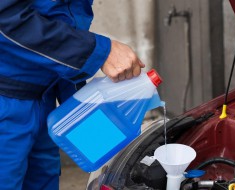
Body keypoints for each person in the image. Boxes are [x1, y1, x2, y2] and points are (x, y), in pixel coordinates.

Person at [0, 1, 144, 190]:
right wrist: (99, 52)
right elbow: (5, 18)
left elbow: (64, 18)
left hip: (44, 98)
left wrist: (79, 105)